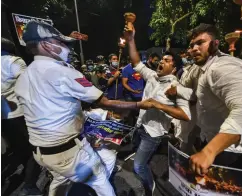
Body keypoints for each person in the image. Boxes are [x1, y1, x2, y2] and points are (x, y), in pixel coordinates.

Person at [14, 21, 155, 196]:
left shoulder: (24, 75)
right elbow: (104, 101)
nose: (66, 48)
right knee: (100, 179)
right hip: (67, 152)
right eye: (60, 43)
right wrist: (140, 104)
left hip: (41, 152)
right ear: (45, 44)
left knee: (60, 181)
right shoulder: (62, 72)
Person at [166, 23, 242, 175]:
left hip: (227, 150)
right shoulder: (202, 68)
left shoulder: (221, 67)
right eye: (192, 45)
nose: (194, 48)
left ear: (215, 44)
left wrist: (209, 152)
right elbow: (195, 94)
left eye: (200, 43)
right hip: (209, 139)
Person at [124, 23, 191, 195]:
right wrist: (131, 40)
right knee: (141, 159)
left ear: (174, 68)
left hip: (152, 134)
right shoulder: (153, 76)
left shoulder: (175, 87)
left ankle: (150, 188)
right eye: (162, 59)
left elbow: (185, 115)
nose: (162, 61)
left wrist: (157, 104)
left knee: (139, 166)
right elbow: (136, 62)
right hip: (140, 126)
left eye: (167, 61)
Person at [1, 37, 42, 196]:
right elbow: (28, 83)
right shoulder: (14, 61)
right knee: (35, 149)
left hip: (2, 117)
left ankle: (25, 174)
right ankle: (29, 185)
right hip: (18, 114)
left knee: (17, 148)